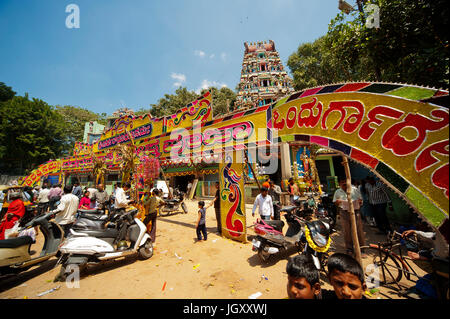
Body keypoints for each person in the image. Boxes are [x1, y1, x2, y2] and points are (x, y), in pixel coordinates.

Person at [333, 178, 365, 255]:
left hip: (355, 211)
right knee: (347, 231)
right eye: (342, 182)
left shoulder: (354, 189)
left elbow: (361, 200)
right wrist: (338, 202)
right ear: (339, 183)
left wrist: (359, 202)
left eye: (345, 182)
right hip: (344, 212)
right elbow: (335, 203)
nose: (344, 183)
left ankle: (362, 249)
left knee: (359, 230)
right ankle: (349, 248)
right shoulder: (337, 191)